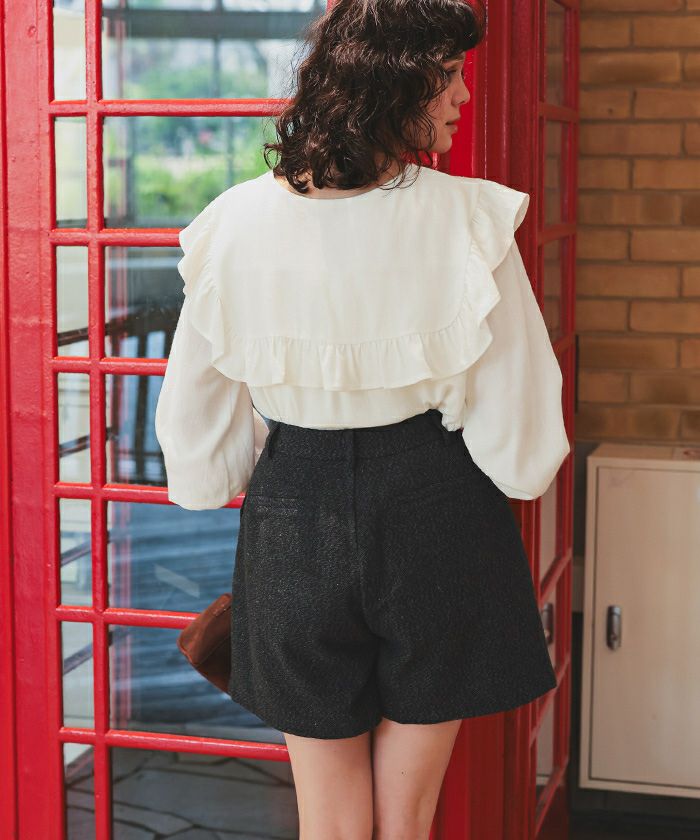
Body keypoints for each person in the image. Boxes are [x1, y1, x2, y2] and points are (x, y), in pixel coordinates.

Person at [154, 0, 570, 837]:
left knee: (331, 820)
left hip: (293, 513)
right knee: (406, 819)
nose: (461, 97)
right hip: (436, 505)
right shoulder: (468, 219)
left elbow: (196, 422)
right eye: (448, 76)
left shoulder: (232, 222)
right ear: (396, 85)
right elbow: (521, 437)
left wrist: (221, 475)